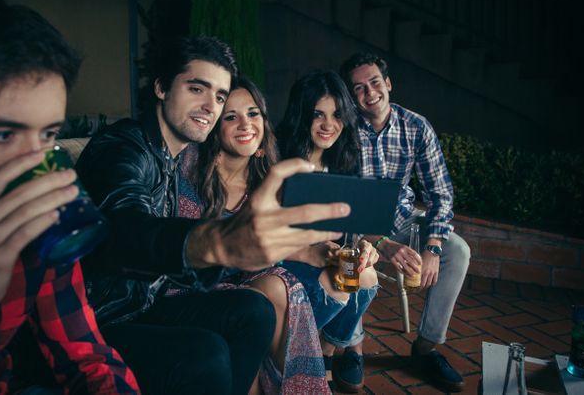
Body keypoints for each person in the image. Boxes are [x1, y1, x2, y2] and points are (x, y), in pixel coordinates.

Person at [75, 37, 349, 395]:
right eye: (196, 89)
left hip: (145, 302)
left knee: (256, 310)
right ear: (161, 87)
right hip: (99, 317)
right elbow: (126, 229)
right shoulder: (124, 147)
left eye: (219, 96)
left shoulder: (174, 159)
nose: (210, 106)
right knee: (207, 352)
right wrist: (216, 242)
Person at [0, 0, 139, 394]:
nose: (36, 168)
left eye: (48, 135)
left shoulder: (40, 230)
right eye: (2, 134)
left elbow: (87, 356)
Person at [176, 74, 330, 393]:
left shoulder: (266, 185)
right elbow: (184, 257)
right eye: (231, 116)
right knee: (266, 297)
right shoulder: (190, 173)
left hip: (242, 283)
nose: (245, 124)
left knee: (284, 284)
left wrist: (315, 252)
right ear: (215, 128)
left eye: (253, 113)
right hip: (187, 287)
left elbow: (268, 247)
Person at [339, 52, 471, 393]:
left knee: (457, 251)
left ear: (388, 84)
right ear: (351, 96)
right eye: (358, 89)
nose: (369, 93)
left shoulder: (416, 126)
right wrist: (380, 243)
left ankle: (426, 347)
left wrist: (432, 246)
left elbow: (440, 194)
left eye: (374, 83)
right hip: (357, 226)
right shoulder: (342, 131)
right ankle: (352, 348)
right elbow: (340, 204)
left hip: (404, 219)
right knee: (347, 255)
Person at [275, 70, 381, 393]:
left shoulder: (340, 163)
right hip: (284, 256)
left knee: (367, 277)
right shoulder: (281, 157)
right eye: (318, 114)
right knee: (336, 286)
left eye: (336, 115)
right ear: (302, 115)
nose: (328, 124)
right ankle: (294, 357)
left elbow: (348, 230)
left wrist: (364, 247)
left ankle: (325, 352)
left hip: (323, 255)